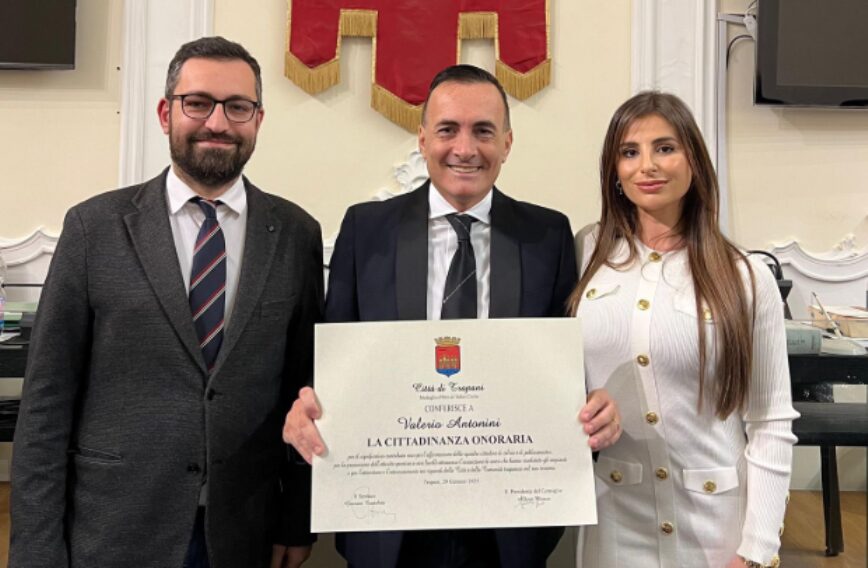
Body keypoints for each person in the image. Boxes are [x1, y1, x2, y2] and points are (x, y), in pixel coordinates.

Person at [283, 64, 622, 568]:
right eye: (447, 130)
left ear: (507, 143)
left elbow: (564, 373)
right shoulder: (366, 230)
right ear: (423, 139)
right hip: (388, 523)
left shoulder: (547, 236)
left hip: (507, 527)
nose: (465, 148)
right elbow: (334, 364)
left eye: (483, 131)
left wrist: (595, 410)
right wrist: (306, 408)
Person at [10, 37, 321, 568]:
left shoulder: (295, 233)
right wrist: (36, 551)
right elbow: (45, 404)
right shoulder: (93, 229)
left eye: (237, 106)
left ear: (258, 119)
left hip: (243, 532)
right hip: (113, 529)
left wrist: (296, 519)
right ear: (165, 113)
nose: (217, 122)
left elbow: (303, 387)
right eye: (197, 103)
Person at [570, 91, 797, 568]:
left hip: (715, 525)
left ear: (693, 159)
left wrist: (757, 549)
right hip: (614, 519)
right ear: (614, 171)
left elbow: (770, 421)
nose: (647, 165)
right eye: (629, 152)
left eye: (665, 148)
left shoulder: (746, 276)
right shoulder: (585, 255)